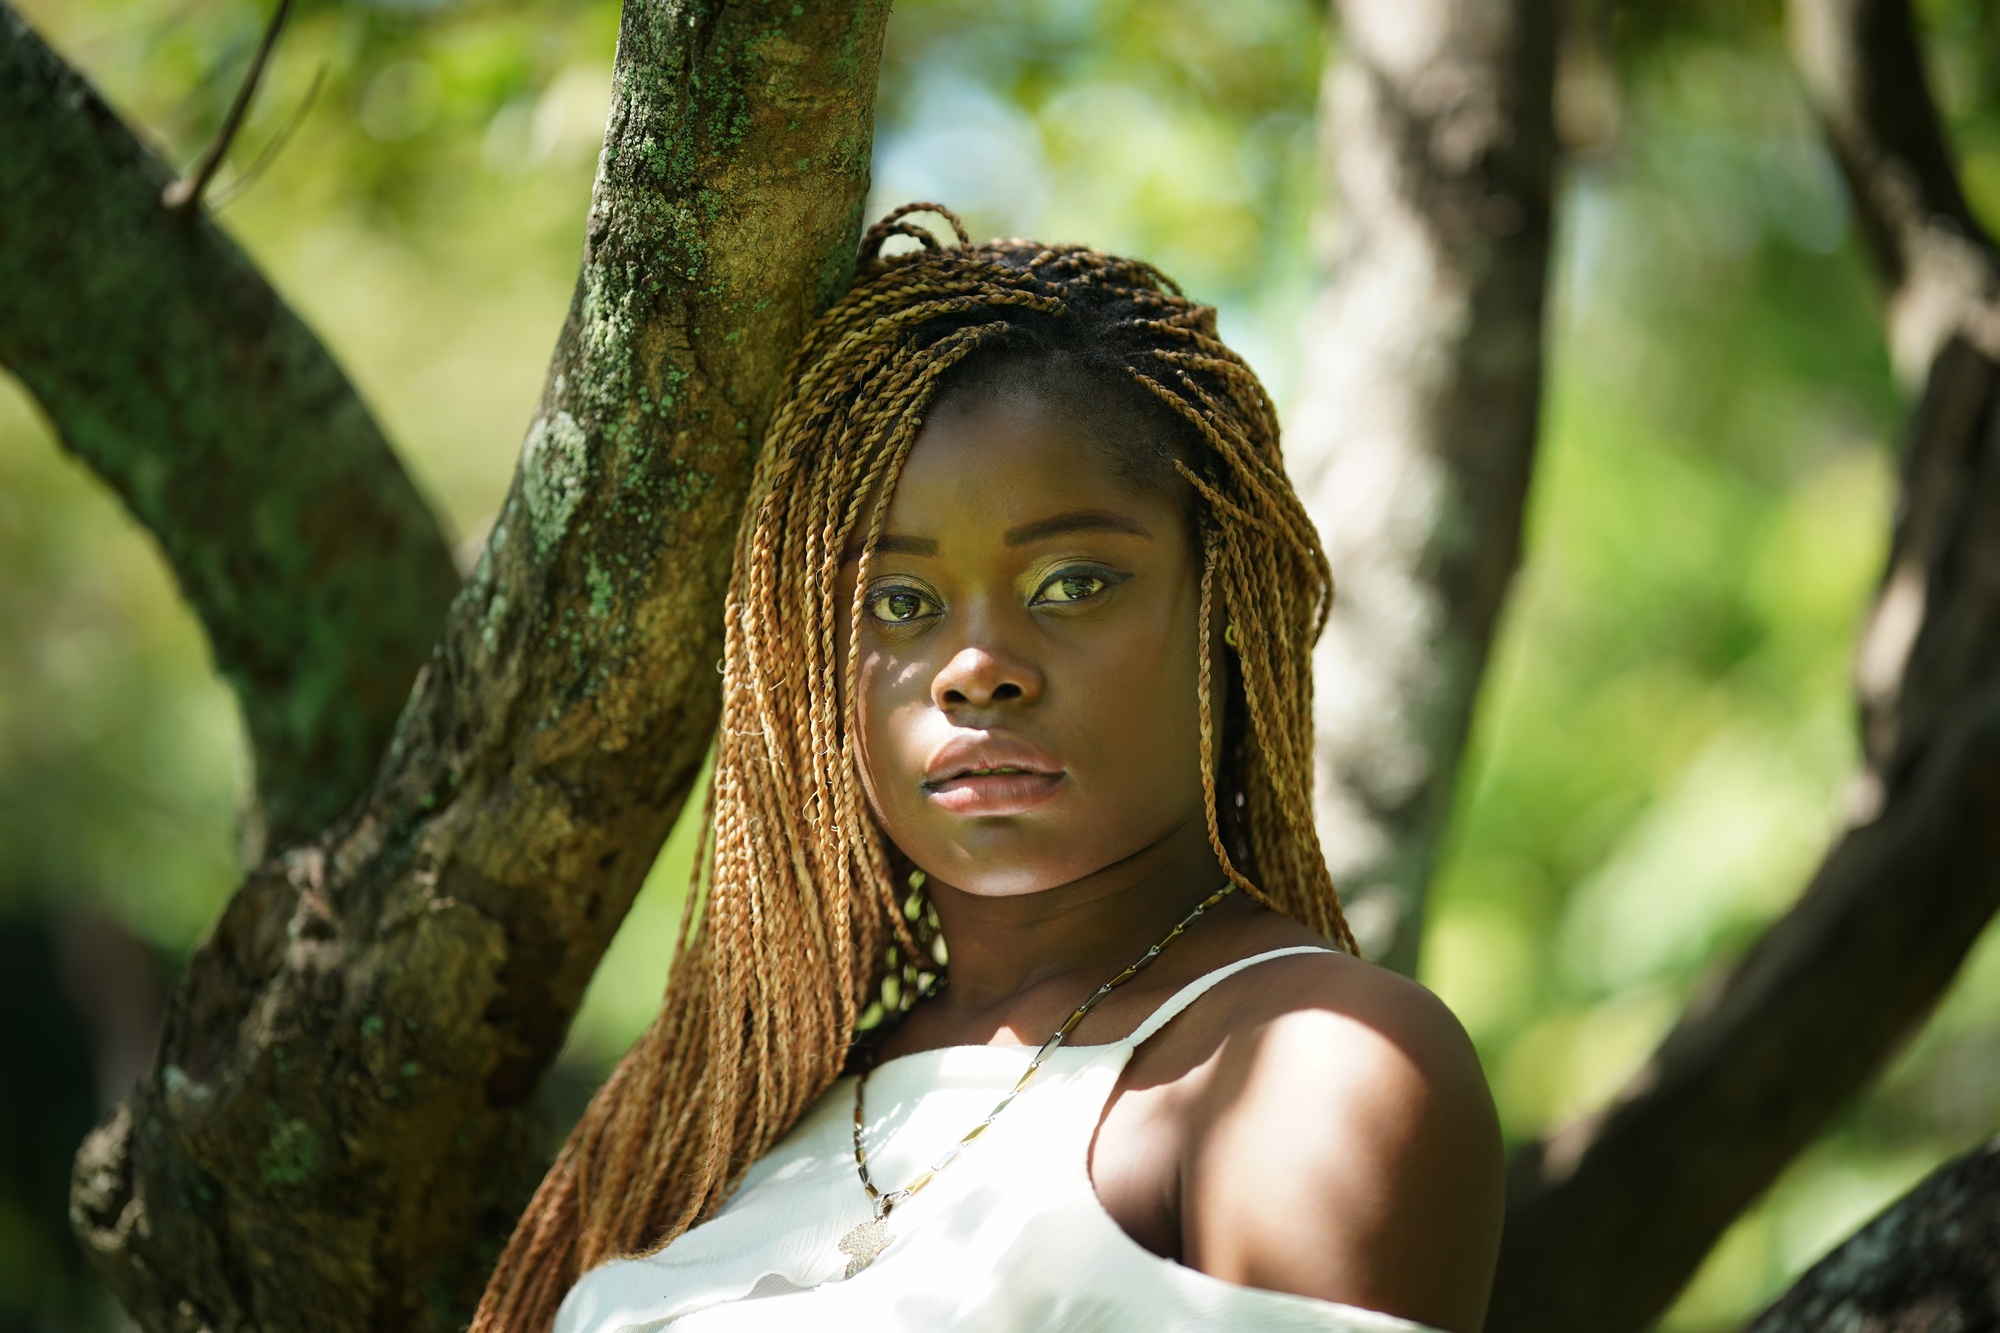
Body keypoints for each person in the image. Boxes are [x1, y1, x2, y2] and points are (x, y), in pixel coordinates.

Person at [472, 204, 1503, 1333]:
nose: (974, 670)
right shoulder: (739, 1112)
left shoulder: (1310, 1064)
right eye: (898, 603)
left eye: (1071, 583)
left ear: (1226, 612)